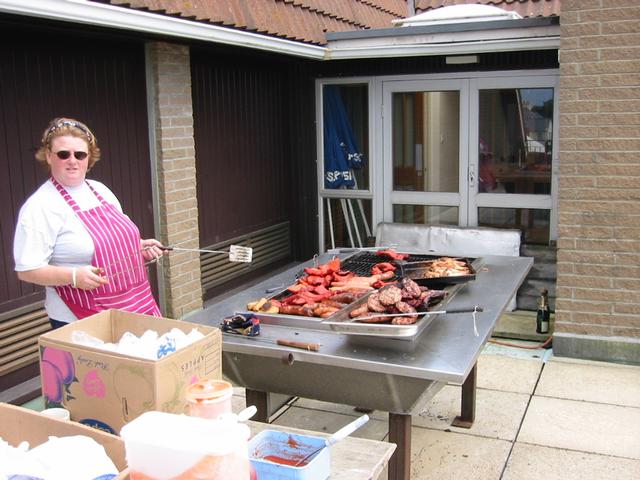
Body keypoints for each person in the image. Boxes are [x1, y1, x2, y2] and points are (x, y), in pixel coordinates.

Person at [13, 117, 165, 329]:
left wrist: (138, 247)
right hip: (81, 319)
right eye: (63, 154)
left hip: (134, 305)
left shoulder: (100, 190)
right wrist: (73, 276)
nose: (72, 160)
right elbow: (27, 270)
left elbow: (111, 241)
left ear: (88, 157)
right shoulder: (40, 206)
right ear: (48, 156)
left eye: (80, 154)